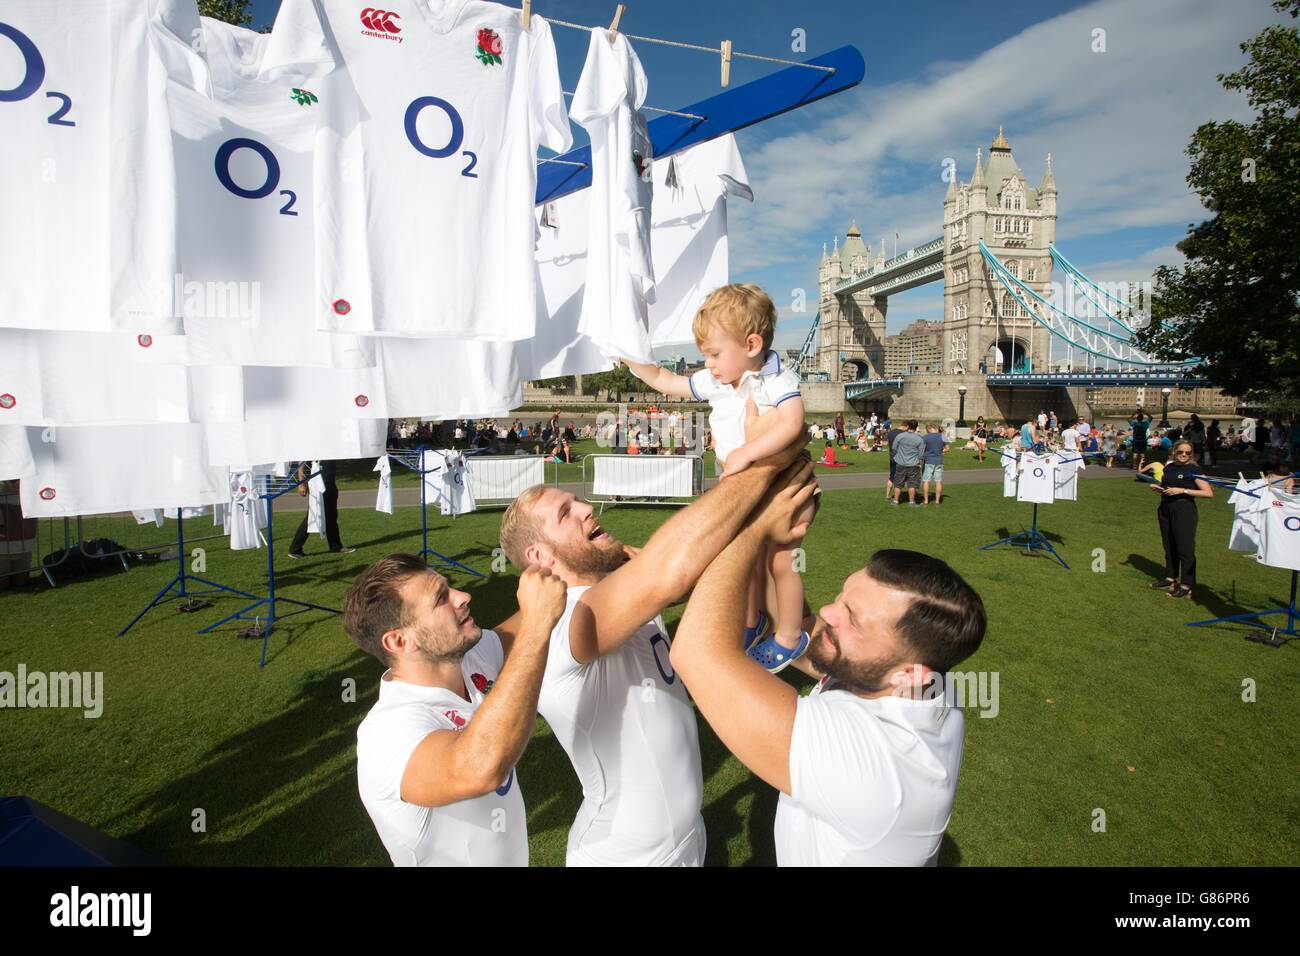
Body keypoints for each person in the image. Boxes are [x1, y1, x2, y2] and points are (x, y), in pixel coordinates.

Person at [492, 426, 809, 865]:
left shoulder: (620, 587)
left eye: (577, 501)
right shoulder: (563, 619)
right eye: (566, 513)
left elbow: (695, 571)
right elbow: (670, 572)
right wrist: (766, 468)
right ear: (540, 557)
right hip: (623, 854)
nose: (586, 507)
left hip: (683, 837)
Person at [668, 463, 987, 866]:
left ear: (909, 673)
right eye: (843, 597)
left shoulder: (872, 766)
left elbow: (695, 653)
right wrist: (779, 547)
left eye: (852, 618)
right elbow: (804, 630)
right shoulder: (915, 681)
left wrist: (746, 528)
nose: (827, 611)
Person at [624, 284, 815, 673]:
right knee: (742, 559)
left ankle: (791, 637)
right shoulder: (717, 380)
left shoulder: (776, 380)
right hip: (746, 488)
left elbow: (793, 423)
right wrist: (632, 360)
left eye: (714, 353)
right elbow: (667, 381)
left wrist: (747, 451)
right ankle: (752, 622)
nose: (708, 364)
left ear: (751, 344)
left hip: (784, 486)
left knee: (782, 561)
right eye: (705, 355)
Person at [343, 555, 569, 866]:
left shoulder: (472, 659)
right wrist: (536, 626)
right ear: (399, 640)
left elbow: (542, 607)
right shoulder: (386, 732)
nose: (463, 597)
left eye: (451, 588)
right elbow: (480, 769)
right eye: (441, 598)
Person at [1148, 440, 1214, 599]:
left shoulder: (1193, 469)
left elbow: (1208, 492)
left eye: (1187, 453)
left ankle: (1187, 585)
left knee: (1185, 548)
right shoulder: (1169, 467)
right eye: (1181, 452)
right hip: (1165, 508)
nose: (1184, 455)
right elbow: (1168, 486)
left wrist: (1183, 490)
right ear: (1174, 452)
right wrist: (1160, 488)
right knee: (1169, 545)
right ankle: (1170, 578)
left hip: (1184, 510)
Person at [288, 460, 354, 559]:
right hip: (318, 483)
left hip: (329, 481)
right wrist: (301, 483)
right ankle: (295, 549)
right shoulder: (313, 446)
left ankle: (335, 546)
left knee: (331, 515)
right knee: (313, 515)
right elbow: (301, 462)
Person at [891, 420, 925, 507]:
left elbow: (894, 448)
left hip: (901, 462)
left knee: (898, 483)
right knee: (912, 483)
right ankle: (911, 502)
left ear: (908, 426)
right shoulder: (919, 438)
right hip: (913, 463)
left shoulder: (900, 436)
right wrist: (919, 461)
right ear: (916, 427)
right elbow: (921, 454)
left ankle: (895, 501)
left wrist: (898, 455)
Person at [920, 423, 949, 506]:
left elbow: (921, 449)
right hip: (939, 461)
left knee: (926, 481)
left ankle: (926, 500)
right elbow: (947, 449)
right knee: (938, 481)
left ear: (928, 429)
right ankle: (937, 500)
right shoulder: (942, 436)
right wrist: (941, 451)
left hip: (928, 461)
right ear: (935, 428)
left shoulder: (925, 437)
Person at [885, 419, 903, 500]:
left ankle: (887, 495)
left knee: (891, 476)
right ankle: (897, 497)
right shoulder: (903, 434)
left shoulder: (891, 432)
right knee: (900, 478)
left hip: (892, 456)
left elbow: (889, 443)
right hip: (900, 458)